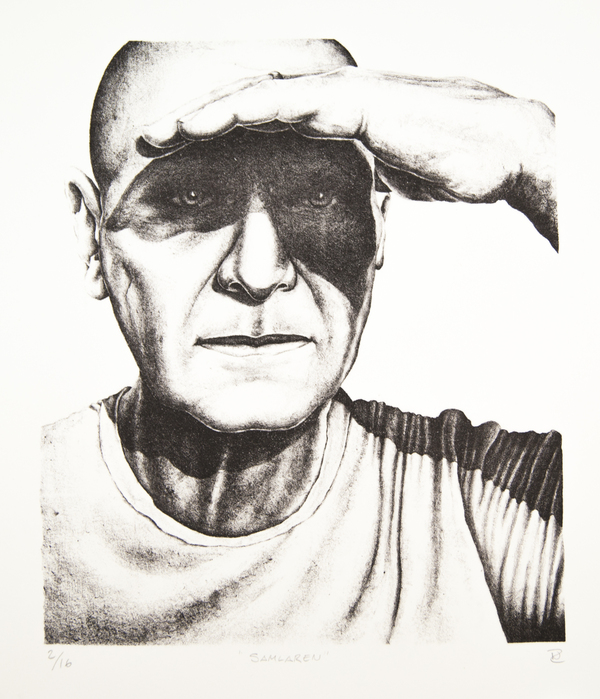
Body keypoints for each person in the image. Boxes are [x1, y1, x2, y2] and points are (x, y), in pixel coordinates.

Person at [41, 40, 563, 645]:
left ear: (378, 227)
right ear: (92, 238)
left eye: (318, 197)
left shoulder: (477, 502)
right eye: (189, 197)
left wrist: (539, 157)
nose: (258, 273)